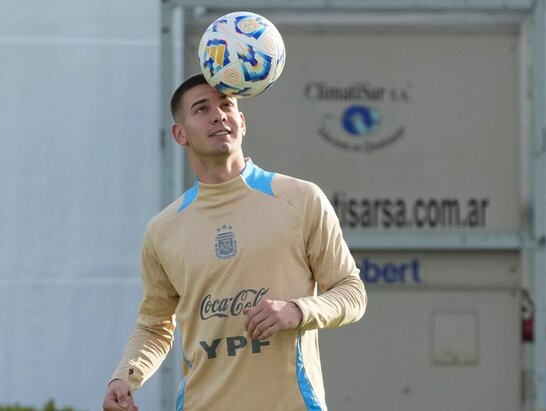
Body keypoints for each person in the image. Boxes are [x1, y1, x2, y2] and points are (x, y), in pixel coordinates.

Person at [102, 73, 367, 411]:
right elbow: (154, 327)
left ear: (242, 121)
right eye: (202, 109)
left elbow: (352, 293)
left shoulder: (301, 199)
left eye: (226, 105)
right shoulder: (162, 230)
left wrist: (298, 310)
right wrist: (123, 378)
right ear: (179, 134)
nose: (218, 115)